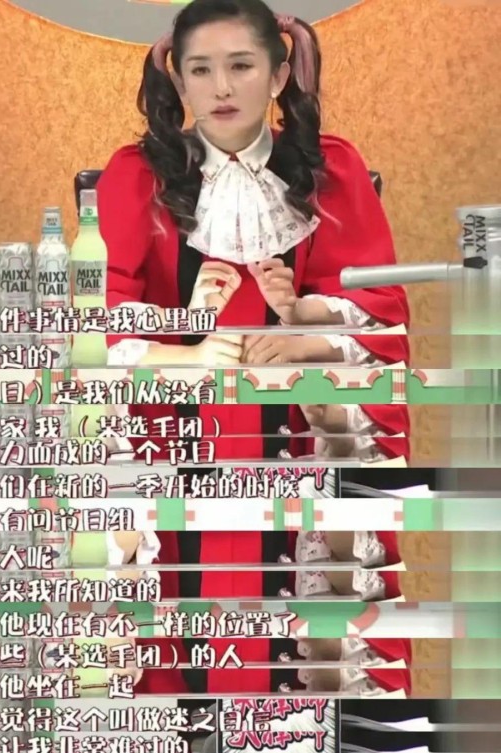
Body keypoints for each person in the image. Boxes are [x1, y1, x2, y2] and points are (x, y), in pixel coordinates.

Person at [96, 0, 411, 695]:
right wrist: (182, 352)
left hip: (296, 429)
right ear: (178, 81)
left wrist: (301, 335)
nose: (221, 88)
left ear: (277, 75)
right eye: (200, 70)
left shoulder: (330, 168)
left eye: (241, 66)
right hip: (170, 435)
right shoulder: (137, 175)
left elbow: (378, 309)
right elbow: (95, 317)